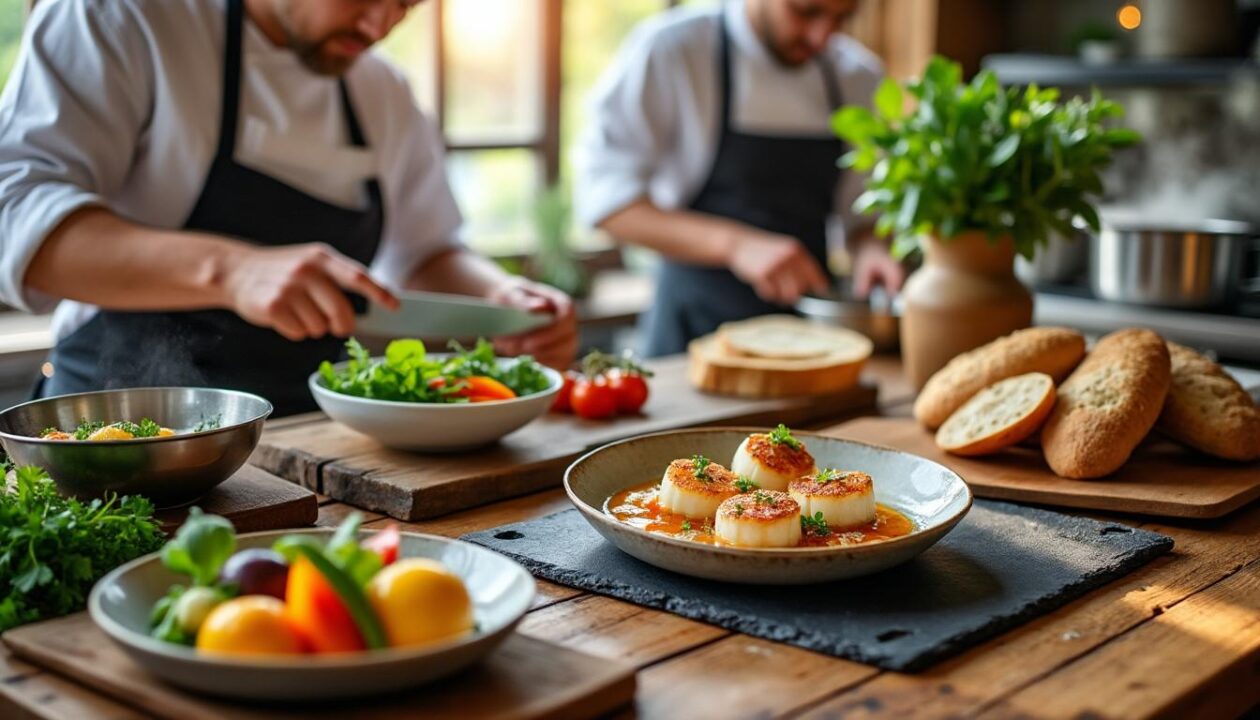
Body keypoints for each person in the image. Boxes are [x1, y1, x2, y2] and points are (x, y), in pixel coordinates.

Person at [0, 0, 577, 415]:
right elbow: (16, 215)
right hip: (116, 434)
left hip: (311, 444)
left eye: (406, 5)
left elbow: (424, 253)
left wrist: (497, 298)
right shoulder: (123, 17)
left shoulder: (383, 92)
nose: (379, 25)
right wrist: (233, 271)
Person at [575, 0, 905, 357]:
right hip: (689, 337)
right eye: (805, 12)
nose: (821, 37)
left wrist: (872, 250)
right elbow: (606, 205)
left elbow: (863, 216)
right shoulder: (675, 50)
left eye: (842, 18)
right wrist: (736, 245)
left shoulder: (858, 77)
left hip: (808, 340)